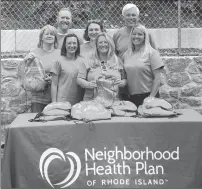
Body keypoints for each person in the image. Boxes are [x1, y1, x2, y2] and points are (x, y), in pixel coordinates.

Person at [123, 24, 164, 107]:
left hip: (148, 96)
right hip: (131, 97)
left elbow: (158, 78)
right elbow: (124, 76)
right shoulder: (126, 54)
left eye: (140, 34)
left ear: (145, 37)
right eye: (134, 34)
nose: (136, 36)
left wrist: (151, 98)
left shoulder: (152, 53)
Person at [77, 32, 127, 101]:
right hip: (91, 101)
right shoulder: (87, 59)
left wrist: (121, 83)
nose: (103, 45)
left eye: (106, 42)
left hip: (113, 101)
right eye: (100, 42)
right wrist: (88, 84)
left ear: (110, 44)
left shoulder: (117, 61)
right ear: (96, 44)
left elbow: (124, 79)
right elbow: (79, 79)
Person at [23, 25, 60, 112]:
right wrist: (25, 62)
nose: (49, 36)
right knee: (37, 122)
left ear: (55, 38)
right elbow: (25, 74)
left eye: (52, 34)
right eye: (47, 34)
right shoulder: (34, 54)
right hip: (38, 96)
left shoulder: (60, 54)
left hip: (56, 95)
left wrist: (53, 79)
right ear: (41, 38)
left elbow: (65, 73)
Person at [51, 33, 84, 105]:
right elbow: (54, 84)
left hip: (79, 103)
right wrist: (54, 103)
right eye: (69, 43)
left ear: (78, 45)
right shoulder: (58, 62)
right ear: (64, 45)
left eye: (74, 43)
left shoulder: (83, 61)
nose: (72, 46)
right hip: (62, 102)